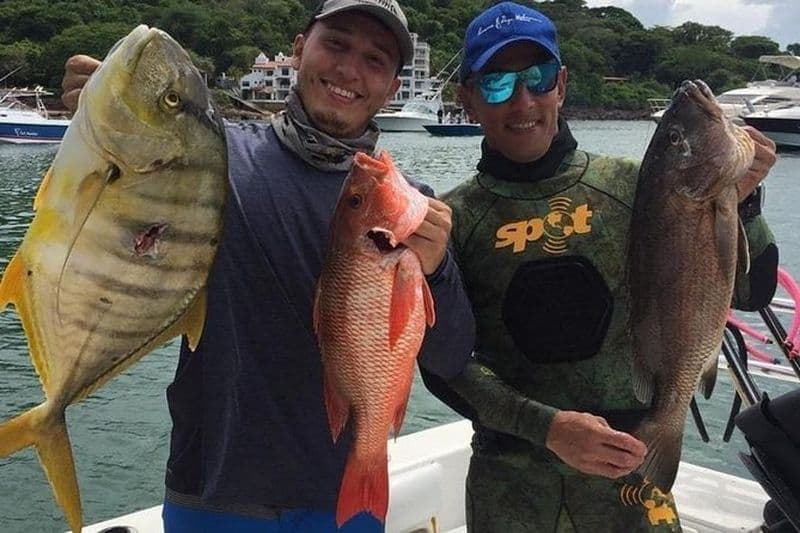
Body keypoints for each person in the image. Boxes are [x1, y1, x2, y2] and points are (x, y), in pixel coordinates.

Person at [61, 1, 475, 531]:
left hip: (341, 491)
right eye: (337, 44)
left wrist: (436, 267)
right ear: (300, 50)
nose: (350, 69)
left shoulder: (416, 213)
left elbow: (452, 354)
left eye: (375, 59)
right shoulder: (212, 159)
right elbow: (116, 213)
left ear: (393, 87)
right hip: (212, 491)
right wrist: (108, 118)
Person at [419, 2, 779, 532]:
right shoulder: (450, 222)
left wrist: (742, 207)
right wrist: (549, 429)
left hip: (633, 471)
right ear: (466, 99)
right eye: (496, 83)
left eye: (538, 78)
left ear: (561, 85)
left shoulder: (644, 186)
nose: (522, 101)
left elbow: (754, 292)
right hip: (511, 486)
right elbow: (442, 365)